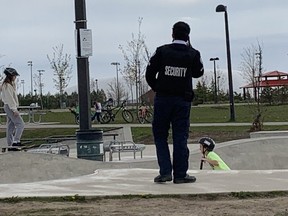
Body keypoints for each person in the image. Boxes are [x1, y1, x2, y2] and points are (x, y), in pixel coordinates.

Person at [145, 21, 204, 184]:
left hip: (163, 99)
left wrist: (158, 87)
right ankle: (180, 174)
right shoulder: (192, 53)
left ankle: (165, 172)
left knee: (160, 135)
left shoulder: (162, 51)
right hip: (182, 100)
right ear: (188, 35)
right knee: (180, 136)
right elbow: (199, 72)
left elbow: (149, 73)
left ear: (172, 34)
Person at [1, 67, 25, 149]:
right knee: (20, 124)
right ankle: (16, 141)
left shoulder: (9, 85)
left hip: (9, 106)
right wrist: (14, 110)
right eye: (14, 76)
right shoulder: (7, 86)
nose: (15, 77)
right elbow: (10, 98)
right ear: (10, 76)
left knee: (10, 126)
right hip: (10, 106)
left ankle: (10, 143)